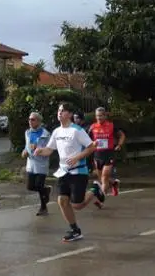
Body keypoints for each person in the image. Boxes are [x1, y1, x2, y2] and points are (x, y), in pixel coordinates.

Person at [33, 103, 103, 242]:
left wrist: (77, 157)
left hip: (78, 171)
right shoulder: (57, 131)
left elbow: (91, 147)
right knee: (62, 200)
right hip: (64, 171)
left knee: (77, 205)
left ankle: (95, 189)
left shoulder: (77, 130)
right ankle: (75, 230)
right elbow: (49, 149)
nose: (60, 113)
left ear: (70, 114)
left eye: (63, 111)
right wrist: (41, 151)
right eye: (59, 110)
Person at [88, 107, 126, 197]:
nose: (99, 118)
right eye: (97, 116)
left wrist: (119, 145)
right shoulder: (92, 127)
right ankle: (114, 183)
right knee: (102, 178)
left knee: (104, 177)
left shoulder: (111, 126)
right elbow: (87, 140)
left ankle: (101, 199)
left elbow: (122, 135)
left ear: (105, 116)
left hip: (109, 154)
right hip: (97, 155)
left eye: (101, 116)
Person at [22, 111, 53, 216]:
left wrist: (40, 149)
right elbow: (27, 145)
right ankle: (46, 189)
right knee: (30, 186)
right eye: (29, 119)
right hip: (31, 163)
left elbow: (50, 149)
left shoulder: (46, 134)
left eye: (33, 119)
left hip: (41, 163)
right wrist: (24, 151)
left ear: (39, 121)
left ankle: (43, 208)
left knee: (39, 185)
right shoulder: (27, 132)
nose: (30, 121)